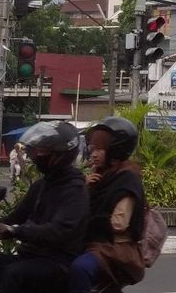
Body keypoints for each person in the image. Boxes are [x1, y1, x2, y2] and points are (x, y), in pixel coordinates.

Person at [0, 121, 89, 293]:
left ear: (59, 156)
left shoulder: (75, 190)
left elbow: (58, 231)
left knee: (14, 274)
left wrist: (15, 231)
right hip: (30, 258)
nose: (35, 156)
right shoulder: (41, 185)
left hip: (58, 264)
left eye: (42, 151)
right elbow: (14, 218)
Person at [70, 117, 146, 293]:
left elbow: (118, 224)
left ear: (115, 150)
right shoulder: (99, 175)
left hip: (114, 248)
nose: (94, 155)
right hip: (93, 243)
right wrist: (84, 188)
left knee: (80, 268)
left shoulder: (127, 178)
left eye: (100, 150)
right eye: (92, 149)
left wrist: (90, 222)